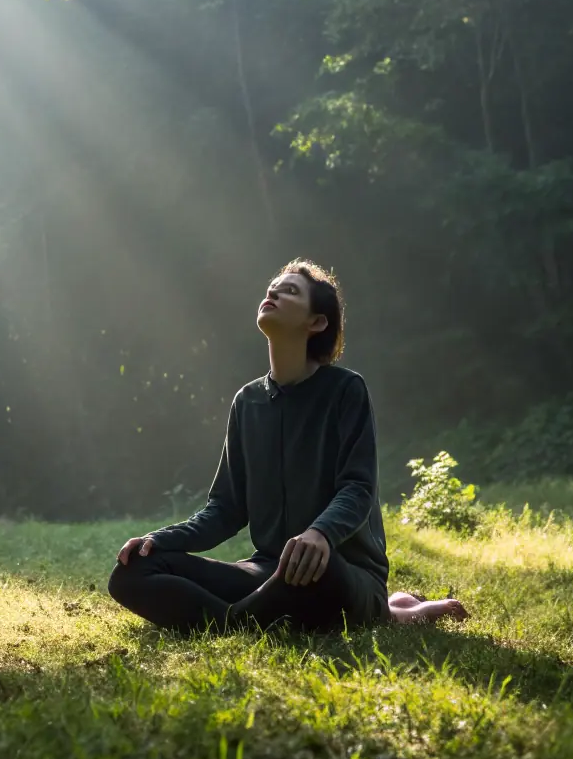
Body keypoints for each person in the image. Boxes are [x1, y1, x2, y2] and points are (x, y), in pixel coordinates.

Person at [108, 259, 467, 635]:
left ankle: (387, 611)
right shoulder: (247, 402)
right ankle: (246, 620)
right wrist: (157, 540)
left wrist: (321, 533)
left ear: (317, 322)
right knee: (134, 571)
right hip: (270, 571)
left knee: (316, 566)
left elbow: (358, 488)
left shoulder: (346, 391)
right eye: (272, 287)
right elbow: (225, 510)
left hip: (339, 571)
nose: (273, 292)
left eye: (290, 290)